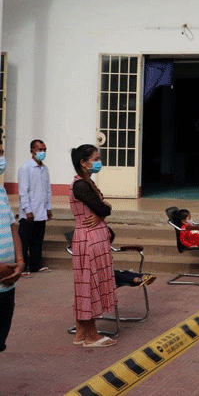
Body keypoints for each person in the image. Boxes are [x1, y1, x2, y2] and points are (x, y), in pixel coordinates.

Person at [69, 144, 117, 347]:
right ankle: (92, 336)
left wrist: (102, 211)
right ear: (83, 162)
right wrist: (104, 210)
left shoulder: (88, 182)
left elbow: (102, 209)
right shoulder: (80, 185)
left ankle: (81, 332)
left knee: (88, 284)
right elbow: (102, 208)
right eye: (95, 159)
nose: (99, 162)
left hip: (95, 237)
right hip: (88, 239)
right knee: (88, 285)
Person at [0, 142, 24, 352]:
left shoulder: (1, 191)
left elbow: (11, 227)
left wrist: (20, 261)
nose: (1, 159)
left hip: (7, 284)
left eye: (1, 153)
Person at [17, 139, 53, 275]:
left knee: (37, 240)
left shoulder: (45, 169)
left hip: (41, 211)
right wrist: (28, 210)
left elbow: (47, 190)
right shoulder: (25, 168)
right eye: (40, 150)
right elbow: (23, 191)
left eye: (44, 150)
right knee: (24, 241)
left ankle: (35, 265)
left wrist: (48, 208)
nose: (43, 152)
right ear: (32, 151)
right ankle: (23, 267)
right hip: (29, 213)